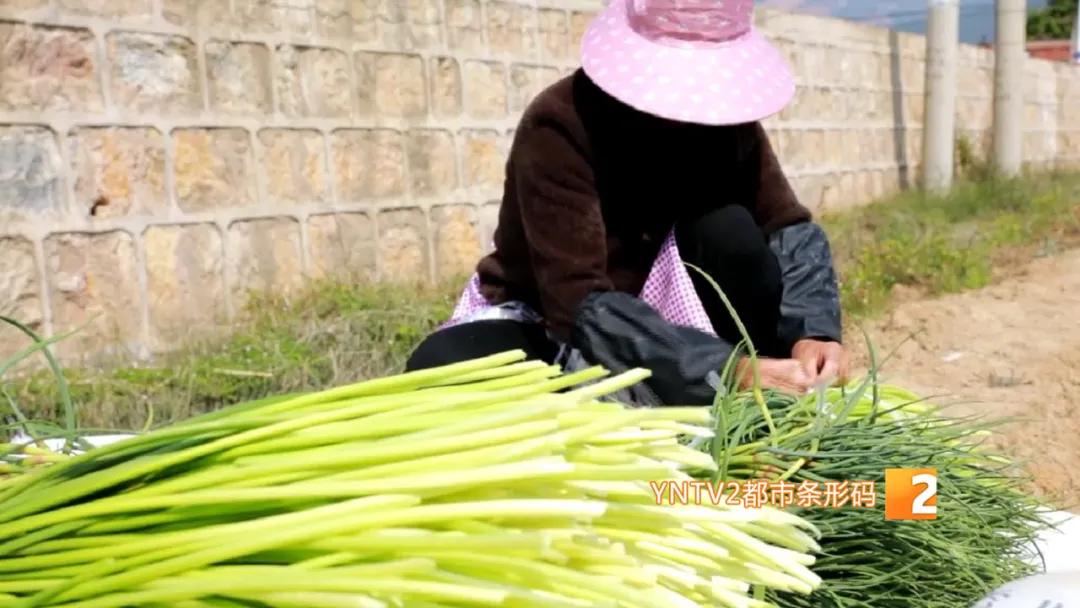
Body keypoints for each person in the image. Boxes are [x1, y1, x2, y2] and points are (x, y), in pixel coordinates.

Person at [406, 0, 849, 405]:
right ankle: (721, 383)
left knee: (728, 229)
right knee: (441, 368)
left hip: (687, 310)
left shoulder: (725, 123)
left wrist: (814, 333)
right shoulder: (560, 125)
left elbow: (787, 227)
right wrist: (727, 370)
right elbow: (576, 302)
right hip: (559, 319)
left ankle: (774, 377)